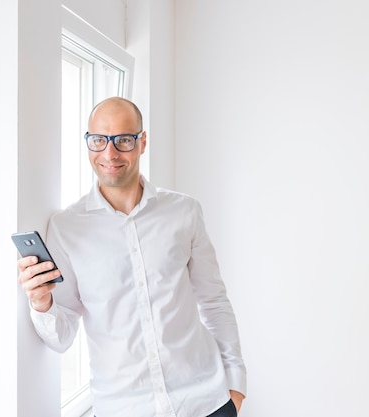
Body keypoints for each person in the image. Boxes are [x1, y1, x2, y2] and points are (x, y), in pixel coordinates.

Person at [17, 97, 247, 417]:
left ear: (142, 142)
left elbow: (214, 300)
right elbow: (62, 335)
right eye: (98, 140)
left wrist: (235, 385)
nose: (109, 154)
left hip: (205, 402)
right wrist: (41, 303)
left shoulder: (184, 211)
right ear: (88, 143)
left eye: (123, 140)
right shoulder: (66, 228)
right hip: (122, 409)